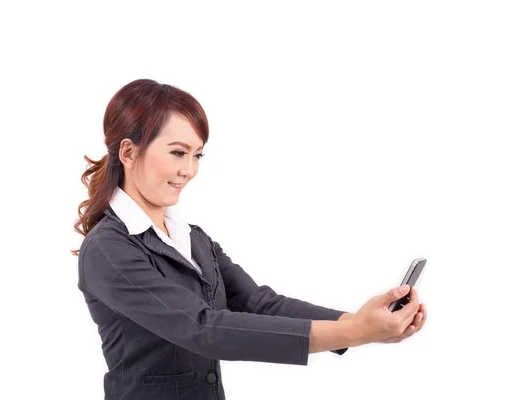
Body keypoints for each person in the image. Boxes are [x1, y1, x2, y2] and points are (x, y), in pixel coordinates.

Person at [72, 78, 427, 400]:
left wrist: (359, 322)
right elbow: (203, 329)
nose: (190, 170)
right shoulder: (107, 249)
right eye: (178, 153)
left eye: (197, 155)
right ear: (129, 152)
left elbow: (259, 303)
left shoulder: (191, 238)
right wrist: (356, 332)